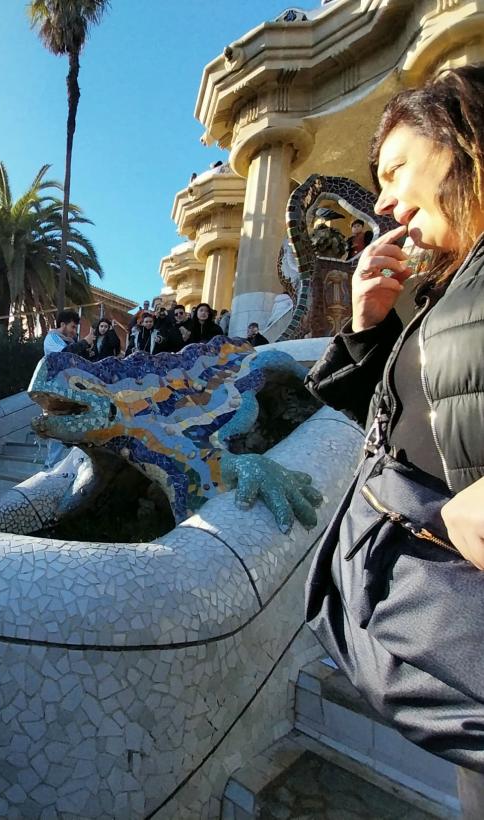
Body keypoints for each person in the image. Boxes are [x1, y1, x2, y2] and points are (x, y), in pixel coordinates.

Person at [304, 65, 484, 816]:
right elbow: (396, 415)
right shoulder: (450, 282)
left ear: (463, 143)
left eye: (394, 170)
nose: (379, 200)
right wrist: (370, 326)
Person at [43, 311, 94, 468]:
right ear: (62, 324)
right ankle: (50, 470)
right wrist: (84, 342)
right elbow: (63, 356)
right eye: (72, 326)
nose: (74, 331)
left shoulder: (69, 341)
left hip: (69, 393)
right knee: (57, 435)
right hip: (55, 393)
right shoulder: (51, 338)